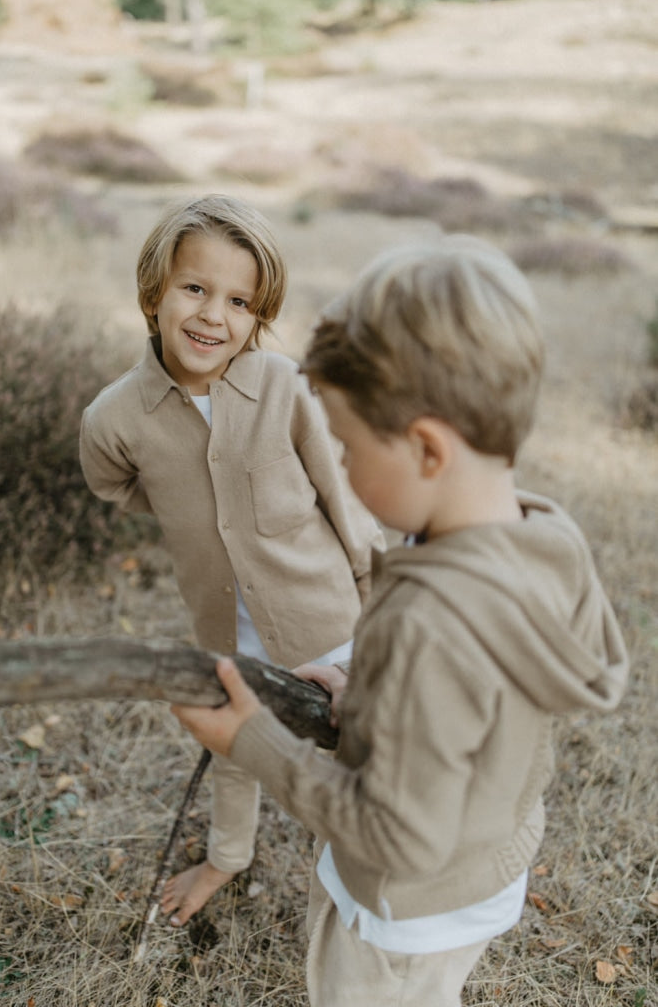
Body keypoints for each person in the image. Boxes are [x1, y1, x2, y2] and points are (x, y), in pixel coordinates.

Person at [170, 234, 629, 1007]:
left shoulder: (431, 624)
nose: (340, 468)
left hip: (399, 914)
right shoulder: (538, 534)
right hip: (482, 869)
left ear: (424, 449)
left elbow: (393, 833)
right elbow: (469, 708)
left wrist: (251, 741)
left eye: (347, 449)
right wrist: (364, 687)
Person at [79, 194, 384, 926]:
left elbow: (345, 505)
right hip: (231, 634)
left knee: (360, 765)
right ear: (154, 293)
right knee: (236, 752)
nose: (214, 315)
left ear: (257, 316)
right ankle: (227, 857)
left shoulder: (284, 389)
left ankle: (351, 904)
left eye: (239, 301)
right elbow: (116, 485)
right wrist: (197, 506)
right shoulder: (115, 418)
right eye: (195, 288)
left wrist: (385, 615)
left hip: (334, 627)